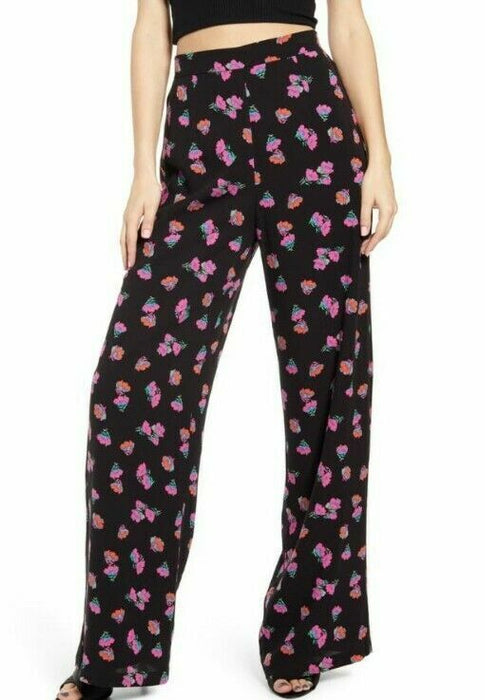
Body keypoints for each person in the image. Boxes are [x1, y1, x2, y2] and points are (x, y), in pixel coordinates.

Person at [55, 1, 396, 697]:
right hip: (200, 128)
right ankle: (118, 648)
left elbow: (348, 22)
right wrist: (143, 168)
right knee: (133, 385)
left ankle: (306, 631)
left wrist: (381, 159)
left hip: (308, 119)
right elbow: (151, 28)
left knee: (328, 386)